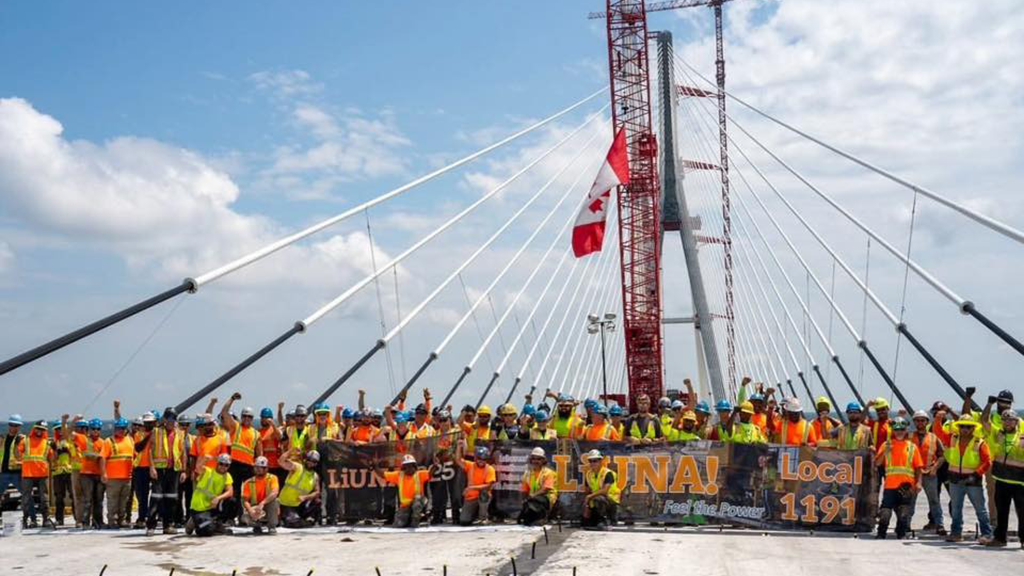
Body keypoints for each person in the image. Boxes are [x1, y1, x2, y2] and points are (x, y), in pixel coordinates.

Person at [944, 415, 993, 543]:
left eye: (968, 427)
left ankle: (987, 534)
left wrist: (977, 474)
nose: (965, 429)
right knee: (955, 508)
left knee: (980, 509)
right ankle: (956, 533)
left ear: (973, 429)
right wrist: (939, 418)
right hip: (955, 480)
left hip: (973, 481)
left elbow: (987, 461)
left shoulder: (980, 442)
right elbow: (938, 431)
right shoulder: (953, 439)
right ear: (958, 428)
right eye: (962, 426)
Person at [873, 417, 922, 539]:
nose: (899, 431)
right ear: (893, 430)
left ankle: (901, 534)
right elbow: (877, 463)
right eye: (897, 429)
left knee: (904, 513)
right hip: (890, 485)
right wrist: (885, 452)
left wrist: (918, 483)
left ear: (906, 430)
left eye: (902, 429)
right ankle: (881, 533)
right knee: (885, 512)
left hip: (906, 486)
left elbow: (918, 468)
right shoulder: (886, 445)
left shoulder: (912, 447)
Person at [984, 409, 1023, 548]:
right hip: (1001, 480)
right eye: (1005, 420)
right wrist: (989, 405)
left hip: (1020, 482)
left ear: (1016, 421)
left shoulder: (1022, 437)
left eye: (1010, 420)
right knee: (1002, 511)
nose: (1007, 422)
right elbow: (984, 422)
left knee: (1023, 512)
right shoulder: (998, 434)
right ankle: (1000, 539)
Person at [147, 408, 186, 536]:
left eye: (173, 419)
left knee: (172, 498)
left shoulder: (180, 433)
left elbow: (183, 453)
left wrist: (183, 470)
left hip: (173, 470)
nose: (171, 422)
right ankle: (151, 526)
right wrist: (152, 467)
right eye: (169, 419)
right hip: (159, 470)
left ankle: (168, 525)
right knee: (156, 497)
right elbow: (150, 451)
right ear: (164, 419)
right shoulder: (156, 432)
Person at [221, 393, 260, 522]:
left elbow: (259, 453)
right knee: (233, 494)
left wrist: (258, 467)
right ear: (241, 417)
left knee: (251, 494)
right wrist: (231, 399)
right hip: (235, 465)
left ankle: (251, 518)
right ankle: (229, 518)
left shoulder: (256, 433)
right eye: (244, 416)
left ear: (252, 418)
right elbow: (225, 412)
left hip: (249, 467)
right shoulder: (236, 427)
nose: (247, 418)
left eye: (249, 416)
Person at [909, 409, 946, 536]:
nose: (920, 422)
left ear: (927, 422)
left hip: (929, 474)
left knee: (934, 501)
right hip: (913, 475)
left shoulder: (934, 438)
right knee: (910, 501)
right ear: (914, 422)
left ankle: (939, 524)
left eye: (922, 420)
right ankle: (906, 525)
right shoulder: (909, 437)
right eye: (917, 420)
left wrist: (935, 468)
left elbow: (942, 455)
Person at [377, 454, 432, 528]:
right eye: (406, 466)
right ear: (403, 467)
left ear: (414, 466)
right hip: (405, 506)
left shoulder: (420, 474)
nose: (409, 468)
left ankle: (415, 521)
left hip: (418, 502)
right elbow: (383, 475)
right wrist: (374, 467)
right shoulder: (399, 475)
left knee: (416, 505)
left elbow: (431, 473)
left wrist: (436, 464)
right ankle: (408, 519)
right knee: (398, 524)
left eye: (411, 465)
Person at [18, 420, 55, 529]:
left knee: (44, 498)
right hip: (28, 473)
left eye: (42, 429)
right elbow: (17, 454)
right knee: (26, 498)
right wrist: (16, 443)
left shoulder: (47, 443)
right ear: (34, 429)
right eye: (38, 429)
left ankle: (46, 519)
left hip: (42, 473)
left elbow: (52, 459)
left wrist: (55, 449)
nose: (40, 431)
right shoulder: (26, 441)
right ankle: (26, 519)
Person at [186, 453, 234, 537]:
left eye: (226, 465)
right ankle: (194, 522)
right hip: (200, 507)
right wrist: (204, 460)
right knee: (206, 531)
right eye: (221, 464)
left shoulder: (227, 476)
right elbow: (198, 468)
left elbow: (230, 492)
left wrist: (218, 498)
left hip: (212, 505)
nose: (223, 467)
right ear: (217, 463)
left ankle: (217, 523)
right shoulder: (208, 471)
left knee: (232, 501)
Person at [103, 417, 135, 528]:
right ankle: (112, 520)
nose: (120, 430)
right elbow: (103, 458)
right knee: (113, 501)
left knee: (124, 500)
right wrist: (104, 473)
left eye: (122, 428)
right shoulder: (109, 441)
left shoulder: (130, 440)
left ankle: (122, 520)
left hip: (127, 477)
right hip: (113, 478)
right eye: (118, 428)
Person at [454, 442, 495, 525]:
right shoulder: (470, 465)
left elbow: (488, 486)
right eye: (479, 458)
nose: (481, 461)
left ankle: (483, 518)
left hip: (482, 496)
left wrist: (471, 488)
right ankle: (473, 515)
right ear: (476, 458)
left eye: (484, 459)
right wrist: (459, 447)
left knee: (484, 494)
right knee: (464, 521)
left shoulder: (490, 469)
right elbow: (458, 460)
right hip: (470, 497)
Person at [278, 448, 321, 527]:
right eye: (309, 460)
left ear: (316, 463)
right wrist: (290, 451)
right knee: (293, 523)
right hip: (287, 504)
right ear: (305, 460)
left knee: (317, 501)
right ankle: (292, 519)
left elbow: (317, 492)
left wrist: (305, 497)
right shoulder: (297, 467)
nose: (310, 463)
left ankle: (308, 519)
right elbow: (281, 461)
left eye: (313, 461)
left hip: (300, 504)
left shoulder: (315, 476)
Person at [79, 418, 107, 529]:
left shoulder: (103, 442)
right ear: (89, 430)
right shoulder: (84, 440)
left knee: (99, 499)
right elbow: (69, 434)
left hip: (99, 474)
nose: (96, 431)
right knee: (88, 499)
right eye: (93, 429)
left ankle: (98, 521)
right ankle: (85, 522)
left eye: (98, 429)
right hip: (86, 474)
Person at [518, 447, 557, 526]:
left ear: (543, 460)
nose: (536, 461)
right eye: (534, 459)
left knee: (536, 501)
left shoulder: (548, 473)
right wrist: (524, 501)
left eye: (539, 459)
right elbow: (524, 491)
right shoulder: (527, 473)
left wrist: (532, 496)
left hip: (547, 497)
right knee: (525, 518)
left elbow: (545, 489)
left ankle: (543, 518)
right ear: (531, 460)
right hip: (532, 498)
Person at [581, 449, 619, 531]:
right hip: (595, 501)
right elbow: (587, 491)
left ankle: (605, 520)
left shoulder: (608, 473)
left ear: (600, 461)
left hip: (610, 501)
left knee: (599, 499)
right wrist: (586, 505)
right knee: (586, 522)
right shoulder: (589, 474)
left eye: (595, 461)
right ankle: (596, 519)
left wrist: (589, 497)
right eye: (590, 461)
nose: (592, 463)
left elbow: (605, 491)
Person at [241, 456, 280, 535]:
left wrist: (262, 503)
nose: (258, 469)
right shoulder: (248, 482)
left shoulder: (272, 478)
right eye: (256, 467)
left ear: (266, 468)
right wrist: (250, 511)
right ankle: (257, 526)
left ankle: (272, 526)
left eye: (261, 467)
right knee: (244, 517)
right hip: (255, 507)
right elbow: (245, 500)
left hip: (267, 506)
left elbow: (275, 492)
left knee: (275, 501)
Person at [50, 419, 74, 526]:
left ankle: (78, 518)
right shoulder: (53, 443)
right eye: (57, 429)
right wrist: (56, 450)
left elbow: (74, 455)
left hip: (69, 471)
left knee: (74, 495)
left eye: (61, 428)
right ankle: (59, 519)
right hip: (58, 473)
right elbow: (52, 459)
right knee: (59, 497)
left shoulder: (70, 440)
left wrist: (67, 450)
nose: (59, 431)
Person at [1, 415, 25, 500]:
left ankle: (31, 513)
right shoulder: (2, 439)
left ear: (19, 427)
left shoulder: (23, 440)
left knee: (26, 495)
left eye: (16, 425)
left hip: (17, 472)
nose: (13, 427)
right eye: (12, 424)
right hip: (3, 472)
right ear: (8, 425)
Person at [258, 407, 284, 485]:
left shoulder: (274, 430)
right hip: (265, 466)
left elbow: (279, 437)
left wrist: (273, 424)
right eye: (262, 417)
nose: (263, 419)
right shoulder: (258, 432)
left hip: (277, 466)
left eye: (266, 418)